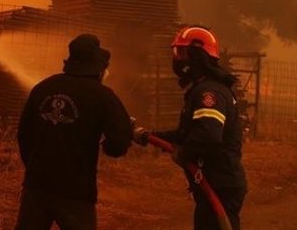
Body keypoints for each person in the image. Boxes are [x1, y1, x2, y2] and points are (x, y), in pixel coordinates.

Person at [133, 26, 247, 230]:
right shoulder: (203, 88)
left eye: (182, 53)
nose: (177, 59)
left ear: (197, 56)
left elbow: (208, 135)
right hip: (214, 182)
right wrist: (151, 136)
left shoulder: (209, 93)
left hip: (219, 184)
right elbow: (187, 134)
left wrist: (183, 153)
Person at [15, 33, 133, 230]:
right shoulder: (103, 96)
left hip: (37, 186)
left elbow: (23, 134)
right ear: (98, 67)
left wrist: (35, 165)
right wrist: (107, 146)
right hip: (76, 191)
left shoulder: (42, 88)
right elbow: (119, 143)